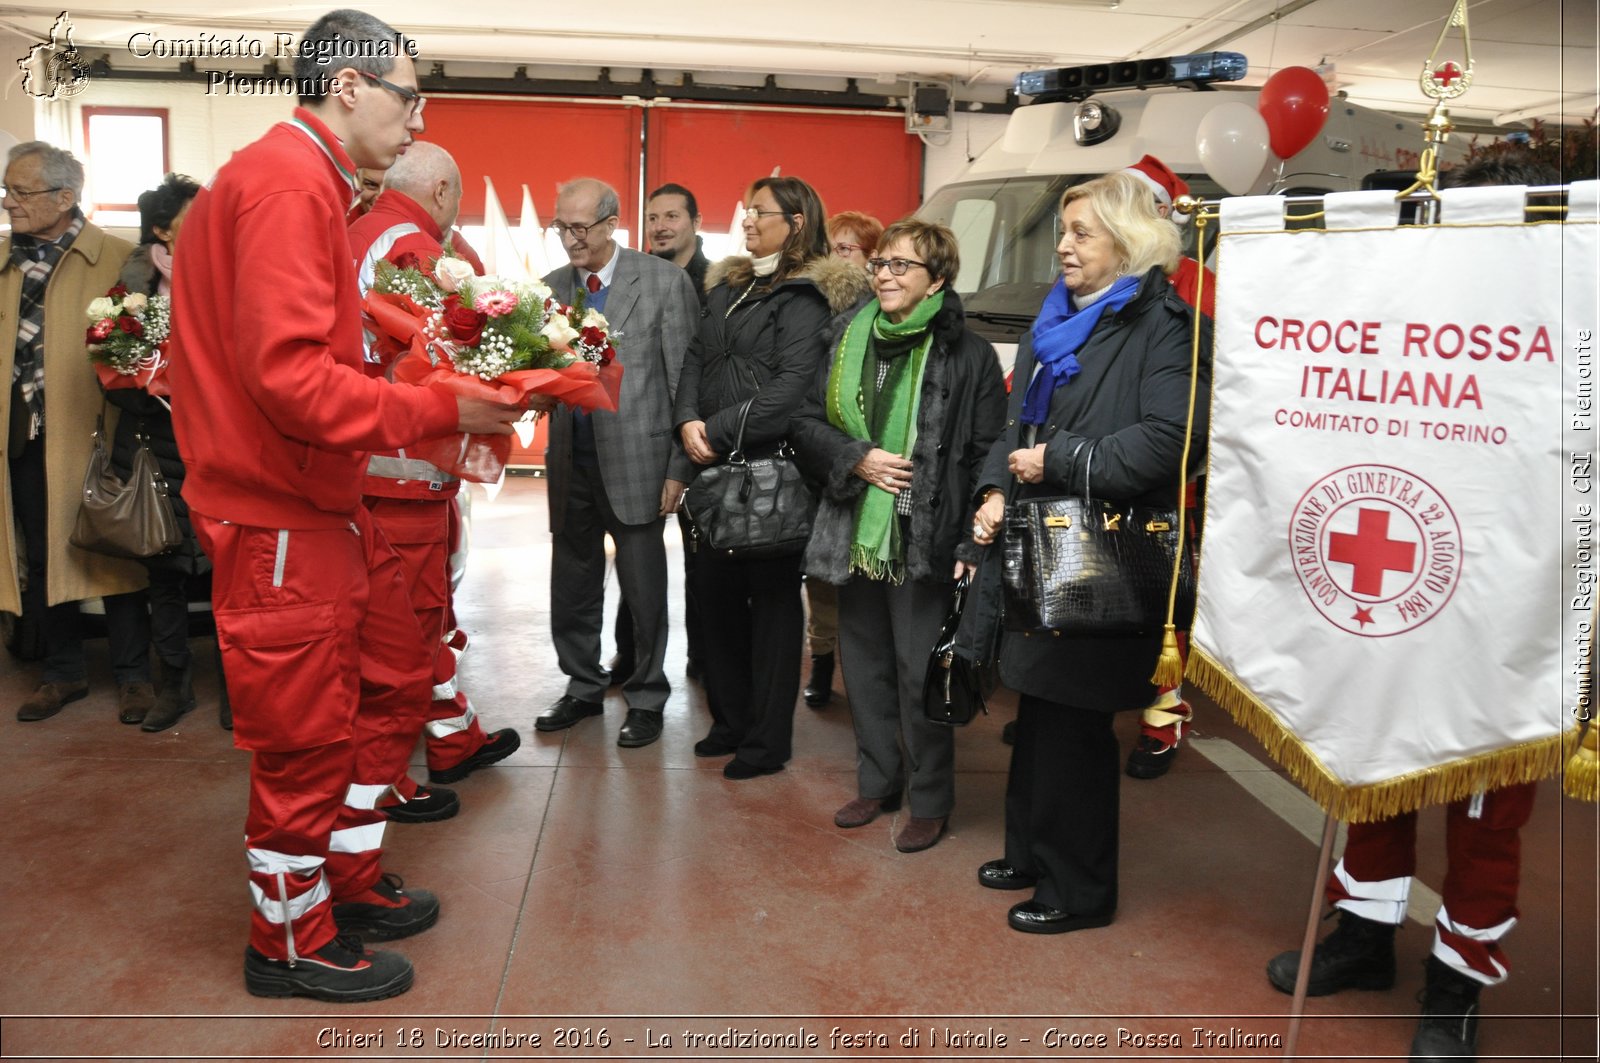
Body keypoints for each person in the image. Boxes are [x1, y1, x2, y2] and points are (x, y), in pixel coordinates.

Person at [166, 8, 523, 1002]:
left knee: (341, 716)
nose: (419, 119)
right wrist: (436, 405)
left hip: (301, 504)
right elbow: (288, 377)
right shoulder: (287, 183)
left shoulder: (292, 179)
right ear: (351, 86)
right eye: (411, 96)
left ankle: (335, 891)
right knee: (304, 739)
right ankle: (287, 942)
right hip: (279, 512)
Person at [1264, 153, 1560, 1063]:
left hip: (1504, 597)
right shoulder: (1384, 309)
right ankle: (1362, 935)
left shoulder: (1556, 297)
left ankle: (1457, 984)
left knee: (1483, 805)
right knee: (1369, 763)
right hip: (1397, 572)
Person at [963, 172, 1210, 932]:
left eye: (1081, 233)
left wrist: (1058, 459)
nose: (1063, 246)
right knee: (1037, 711)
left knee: (1074, 723)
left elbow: (1174, 444)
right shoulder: (1055, 320)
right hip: (1039, 540)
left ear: (1129, 243)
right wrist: (995, 486)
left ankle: (1080, 889)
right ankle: (1033, 853)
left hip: (1102, 552)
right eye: (1064, 230)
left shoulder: (1168, 325)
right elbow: (1014, 426)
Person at [791, 219, 1004, 851]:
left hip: (926, 537)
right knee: (864, 667)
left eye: (901, 266)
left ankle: (931, 799)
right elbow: (803, 422)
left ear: (938, 279)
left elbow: (988, 449)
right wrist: (855, 456)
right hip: (854, 527)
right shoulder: (845, 336)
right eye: (880, 264)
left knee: (920, 673)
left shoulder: (970, 355)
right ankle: (878, 781)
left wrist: (971, 542)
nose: (883, 275)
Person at [349, 141, 521, 818]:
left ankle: (453, 736)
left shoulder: (366, 230)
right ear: (444, 191)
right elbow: (448, 347)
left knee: (430, 619)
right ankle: (385, 780)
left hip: (393, 470)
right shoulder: (410, 246)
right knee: (407, 629)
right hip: (398, 472)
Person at [675, 175, 865, 779]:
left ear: (797, 221)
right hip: (712, 470)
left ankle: (767, 740)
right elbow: (694, 358)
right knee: (715, 601)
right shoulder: (727, 286)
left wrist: (718, 429)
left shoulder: (808, 295)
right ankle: (729, 722)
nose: (748, 221)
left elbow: (789, 390)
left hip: (774, 470)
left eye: (761, 212)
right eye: (746, 211)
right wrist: (686, 419)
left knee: (774, 607)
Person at [535, 177, 699, 749]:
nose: (571, 241)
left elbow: (685, 384)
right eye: (562, 228)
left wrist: (679, 466)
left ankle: (647, 694)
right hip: (570, 460)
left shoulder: (664, 283)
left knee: (644, 586)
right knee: (572, 581)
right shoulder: (548, 289)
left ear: (611, 223)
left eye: (581, 228)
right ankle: (582, 685)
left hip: (639, 459)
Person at [2, 141, 153, 725]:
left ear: (66, 198)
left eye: (22, 192)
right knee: (40, 556)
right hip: (23, 438)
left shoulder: (120, 259)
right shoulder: (5, 265)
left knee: (116, 552)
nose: (10, 203)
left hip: (99, 436)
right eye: (7, 191)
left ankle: (134, 677)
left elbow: (148, 348)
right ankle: (61, 673)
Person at [1117, 153, 1215, 779]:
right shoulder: (1090, 280)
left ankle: (1163, 714)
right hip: (1097, 471)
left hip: (1164, 473)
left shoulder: (1197, 284)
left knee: (1163, 600)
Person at [106, 173, 206, 733]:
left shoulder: (232, 275)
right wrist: (152, 391)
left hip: (220, 446)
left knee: (232, 571)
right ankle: (175, 686)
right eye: (196, 214)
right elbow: (108, 372)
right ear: (163, 229)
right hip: (155, 450)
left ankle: (240, 691)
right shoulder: (131, 289)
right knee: (164, 576)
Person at [604, 182, 713, 685]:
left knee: (702, 560)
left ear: (695, 221)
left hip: (702, 441)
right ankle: (631, 660)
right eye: (652, 218)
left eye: (672, 216)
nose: (661, 226)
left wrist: (687, 457)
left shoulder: (716, 282)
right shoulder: (635, 277)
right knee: (637, 560)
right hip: (639, 448)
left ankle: (703, 659)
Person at [802, 210, 884, 708]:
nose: (837, 258)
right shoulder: (813, 304)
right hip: (823, 451)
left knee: (863, 571)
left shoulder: (887, 310)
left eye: (848, 249)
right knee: (822, 571)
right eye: (832, 248)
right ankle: (822, 658)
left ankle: (862, 667)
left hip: (872, 454)